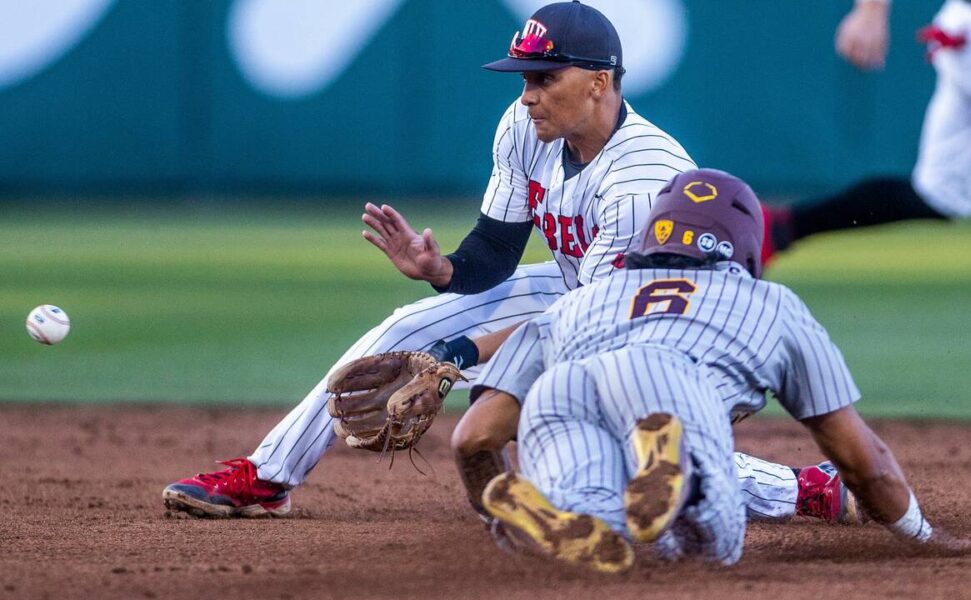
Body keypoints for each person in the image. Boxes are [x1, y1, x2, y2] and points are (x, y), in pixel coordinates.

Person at [161, 1, 841, 524]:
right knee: (407, 328)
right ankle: (267, 477)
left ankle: (801, 489)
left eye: (546, 77)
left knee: (603, 438)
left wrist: (461, 356)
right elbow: (495, 252)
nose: (528, 93)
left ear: (600, 82)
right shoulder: (528, 126)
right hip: (584, 291)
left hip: (664, 332)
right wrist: (442, 272)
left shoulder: (640, 180)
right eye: (524, 76)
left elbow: (586, 329)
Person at [469, 168, 971, 573]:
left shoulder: (581, 301)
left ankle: (560, 507)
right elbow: (863, 461)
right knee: (709, 542)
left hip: (562, 391)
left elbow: (475, 436)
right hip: (667, 386)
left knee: (591, 523)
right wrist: (923, 535)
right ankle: (682, 476)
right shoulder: (769, 303)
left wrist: (491, 511)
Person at [764, 0, 971, 263]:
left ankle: (776, 229)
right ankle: (775, 229)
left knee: (939, 194)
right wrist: (871, 9)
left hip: (969, 33)